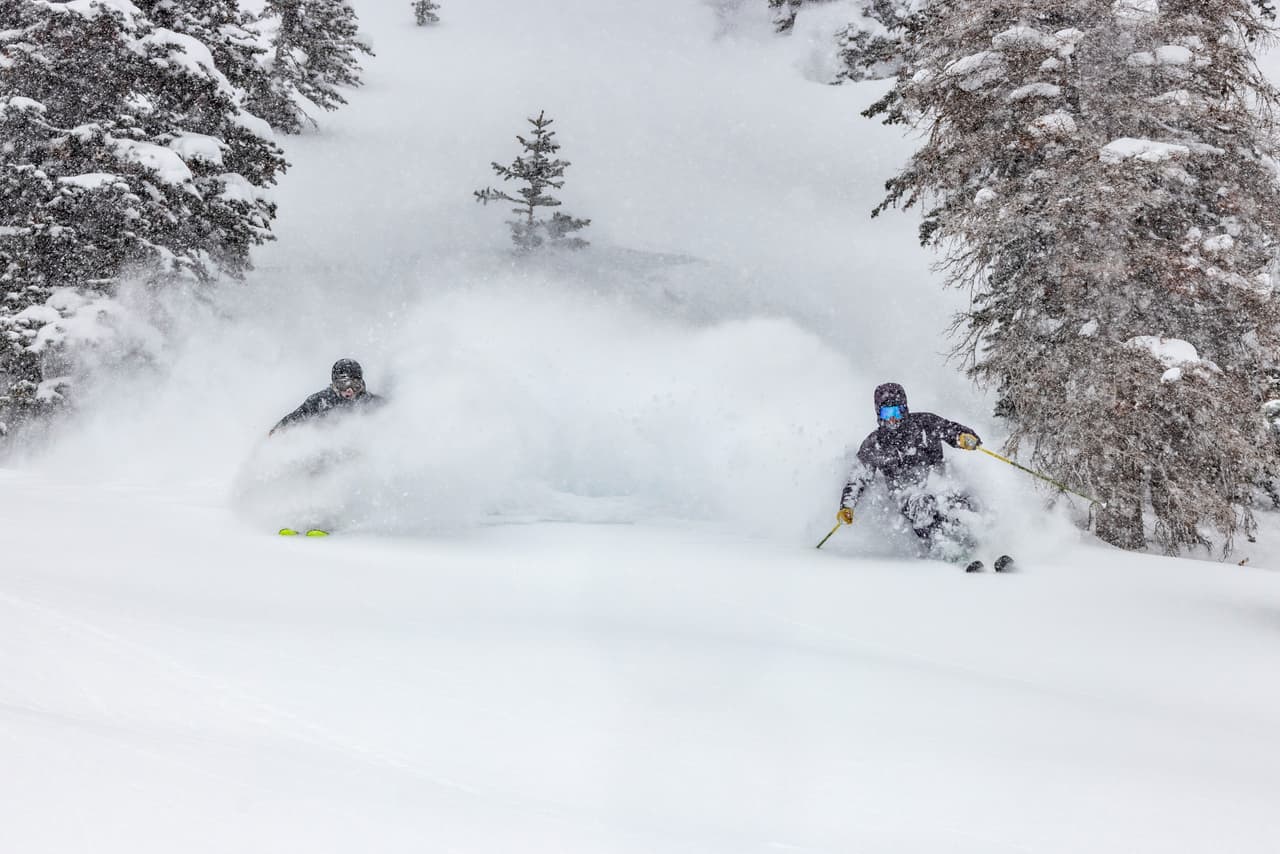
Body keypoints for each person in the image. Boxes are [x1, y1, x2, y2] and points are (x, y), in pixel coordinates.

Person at [837, 382, 982, 561]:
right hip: (905, 492)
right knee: (922, 504)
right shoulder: (875, 444)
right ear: (878, 413)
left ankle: (980, 543)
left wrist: (962, 437)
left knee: (958, 500)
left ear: (904, 409)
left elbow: (949, 429)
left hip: (938, 481)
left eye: (896, 412)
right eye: (886, 413)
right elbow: (858, 478)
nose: (892, 419)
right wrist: (847, 506)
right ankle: (945, 549)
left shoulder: (924, 424)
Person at [269, 358, 384, 436]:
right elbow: (295, 418)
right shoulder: (321, 401)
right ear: (334, 384)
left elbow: (390, 417)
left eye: (355, 385)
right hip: (326, 448)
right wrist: (277, 431)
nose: (350, 390)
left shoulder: (370, 402)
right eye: (344, 384)